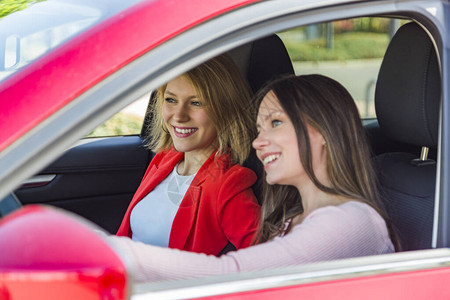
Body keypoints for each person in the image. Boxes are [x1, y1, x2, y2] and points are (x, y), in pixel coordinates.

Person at [109, 74, 396, 282]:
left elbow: (234, 275)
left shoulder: (350, 221)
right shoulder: (289, 220)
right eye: (259, 129)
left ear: (323, 131)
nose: (258, 142)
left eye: (276, 123)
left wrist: (107, 251)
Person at [116, 54, 261, 256]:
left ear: (225, 109)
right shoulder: (164, 159)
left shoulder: (228, 186)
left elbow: (266, 260)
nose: (179, 115)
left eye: (196, 103)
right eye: (171, 100)